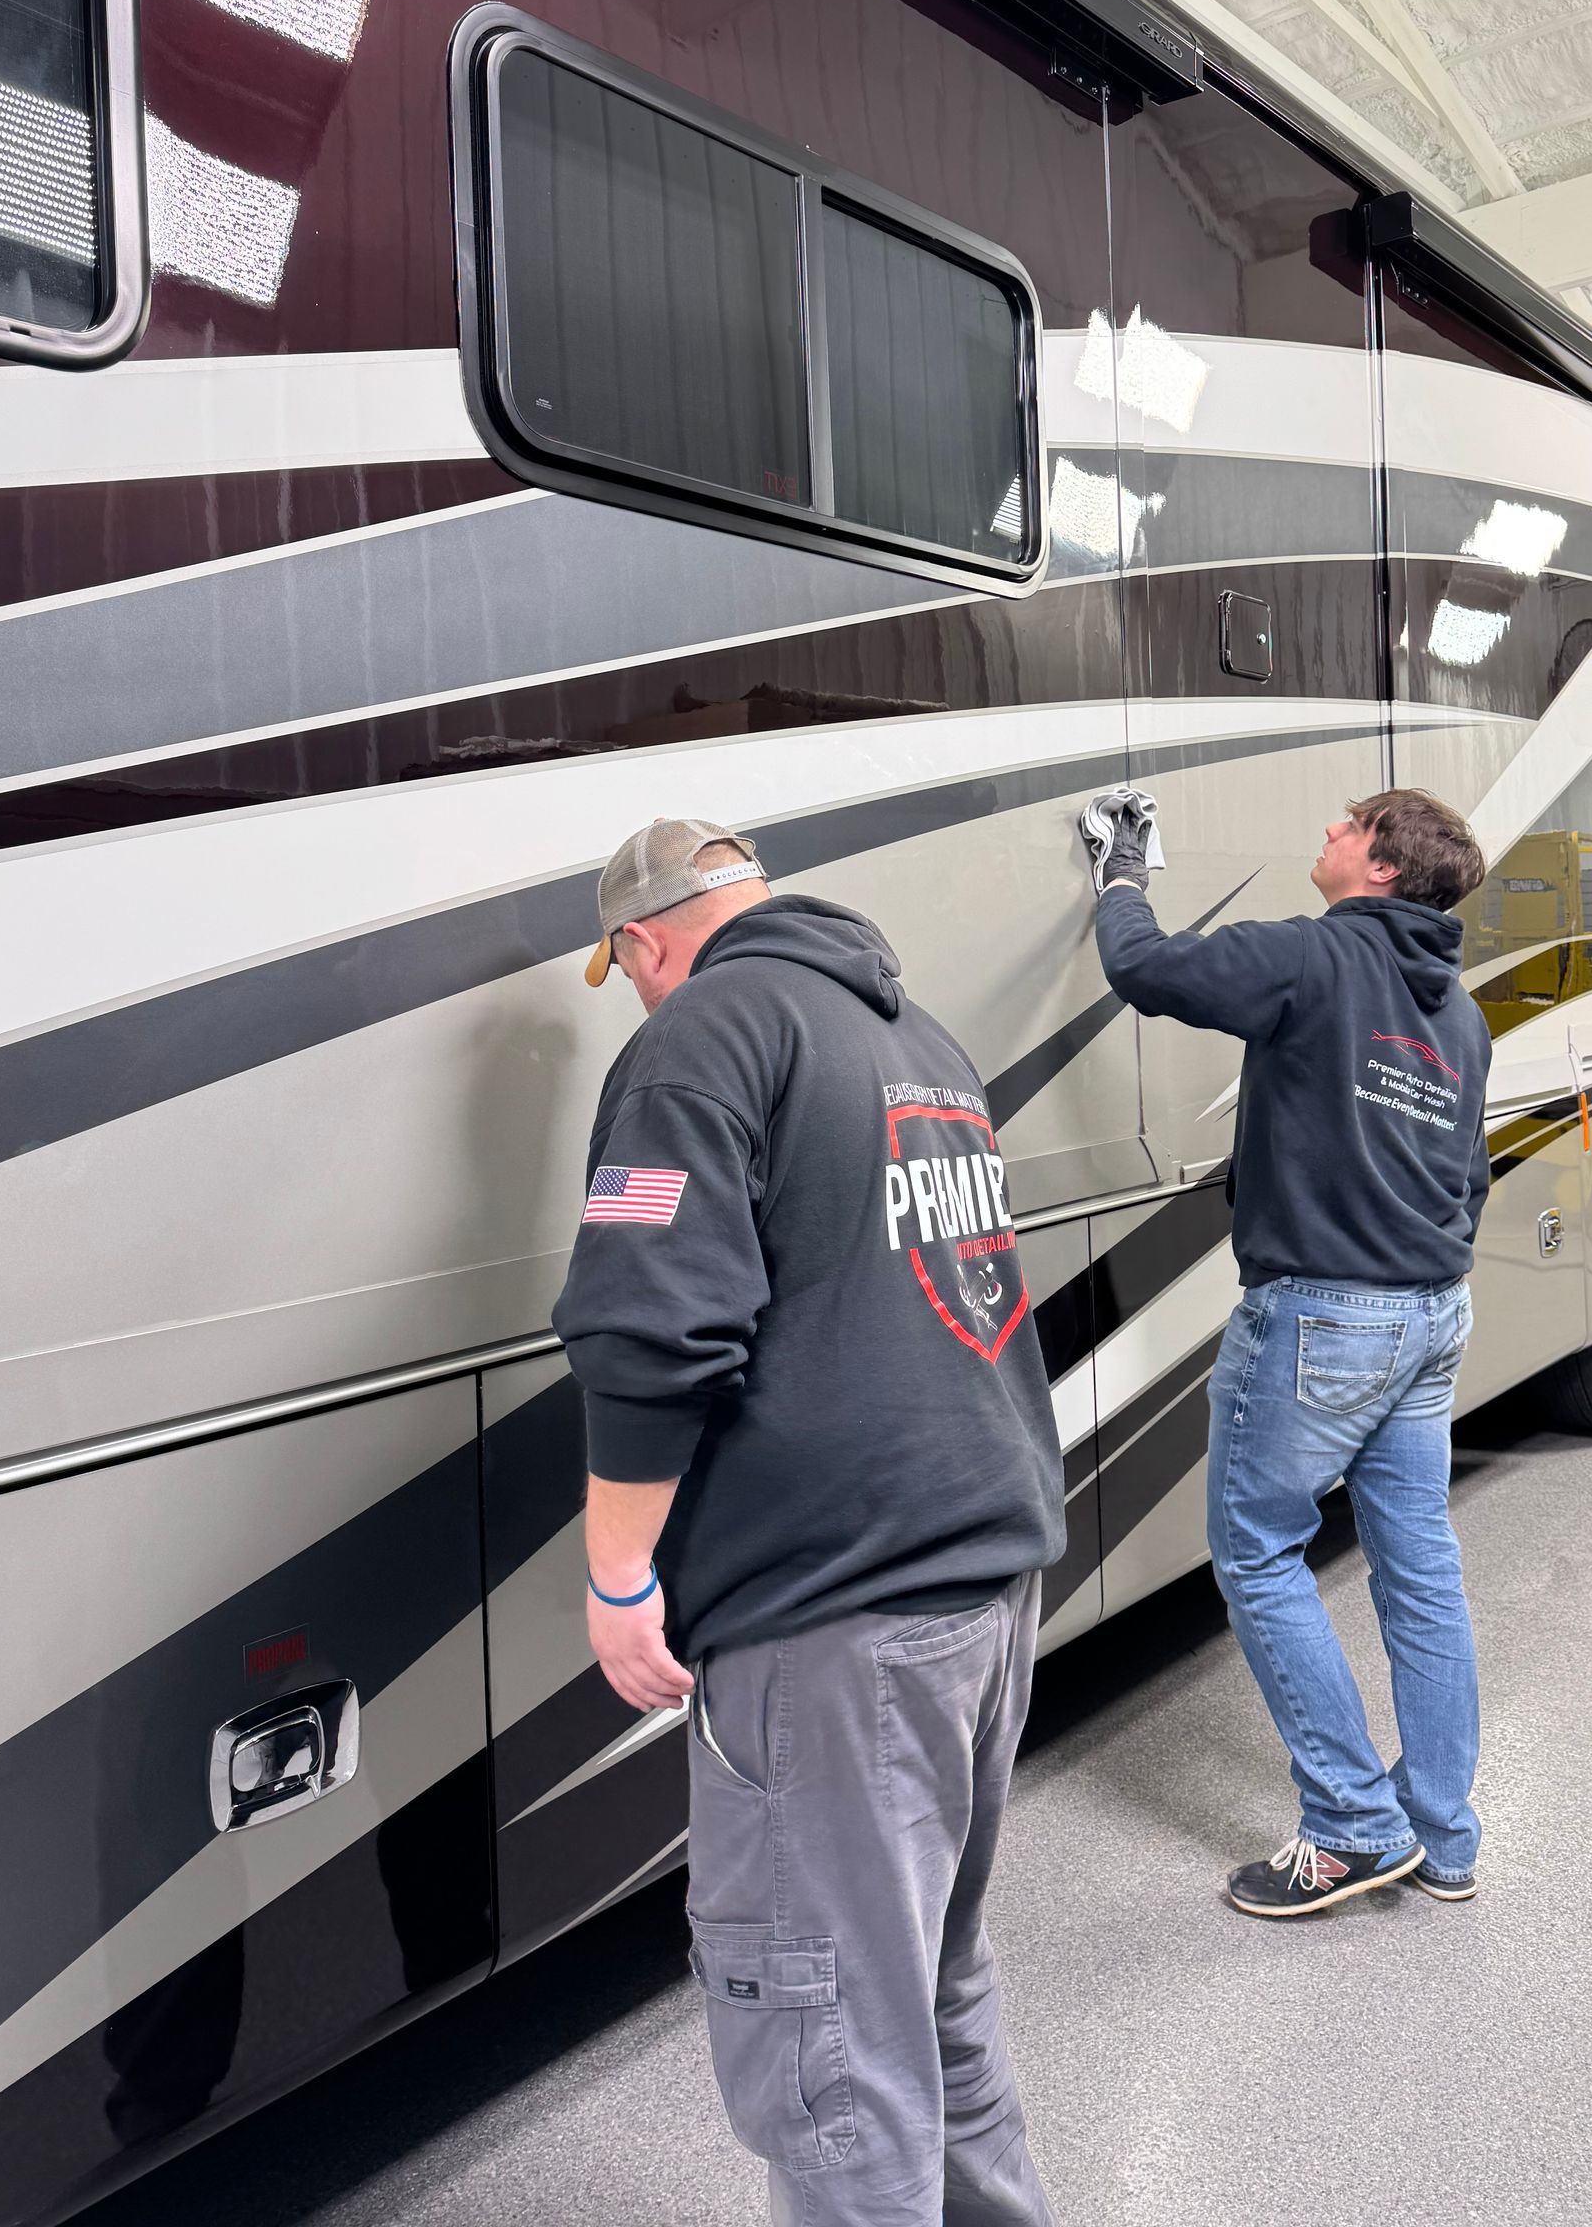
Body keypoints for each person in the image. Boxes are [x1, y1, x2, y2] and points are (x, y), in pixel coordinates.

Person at [553, 817, 1065, 2224]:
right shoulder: (918, 1038)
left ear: (645, 943)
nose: (643, 992)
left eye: (632, 969)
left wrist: (616, 1578)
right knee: (930, 1997)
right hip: (980, 1590)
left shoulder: (701, 1036)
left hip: (838, 1620)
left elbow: (654, 1330)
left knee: (830, 2045)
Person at [1085, 787, 1491, 1917]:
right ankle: (1443, 1835)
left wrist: (1120, 877)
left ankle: (1356, 1825)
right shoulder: (1457, 1013)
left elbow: (1150, 971)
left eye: (1344, 824)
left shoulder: (1313, 958)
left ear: (1379, 865)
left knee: (1258, 1551)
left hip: (1322, 1316)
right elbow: (1468, 1178)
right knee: (1421, 1567)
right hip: (1430, 1316)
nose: (1322, 829)